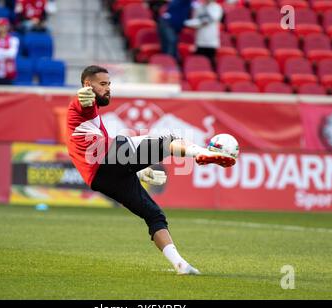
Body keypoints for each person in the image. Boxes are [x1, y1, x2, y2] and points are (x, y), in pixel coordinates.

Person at [66, 65, 235, 275]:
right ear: (88, 84)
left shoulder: (90, 120)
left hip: (100, 177)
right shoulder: (81, 106)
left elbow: (103, 161)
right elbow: (84, 100)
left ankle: (181, 265)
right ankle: (204, 154)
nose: (108, 88)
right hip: (105, 156)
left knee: (154, 215)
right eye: (103, 84)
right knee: (170, 141)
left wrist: (138, 171)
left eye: (109, 84)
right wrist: (85, 94)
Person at [184, 0, 223, 69]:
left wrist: (197, 22)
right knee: (199, 62)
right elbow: (195, 20)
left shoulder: (217, 7)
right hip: (200, 40)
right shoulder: (199, 7)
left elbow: (209, 20)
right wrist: (188, 23)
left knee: (210, 62)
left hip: (211, 41)